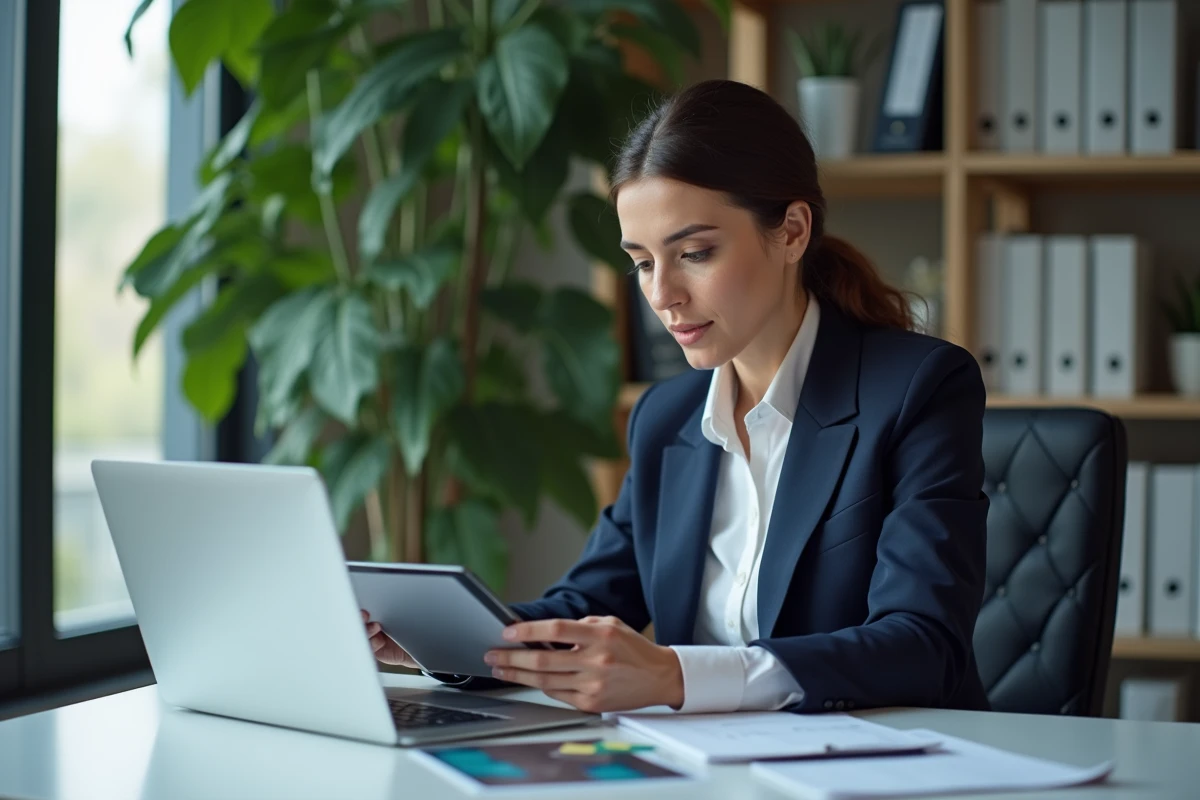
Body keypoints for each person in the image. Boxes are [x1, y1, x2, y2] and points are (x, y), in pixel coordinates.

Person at [363, 79, 991, 715]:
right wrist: (431, 641)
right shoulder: (667, 419)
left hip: (882, 763)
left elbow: (922, 645)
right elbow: (586, 608)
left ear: (793, 231)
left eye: (694, 253)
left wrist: (677, 679)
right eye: (640, 262)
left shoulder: (919, 389)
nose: (663, 294)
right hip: (711, 765)